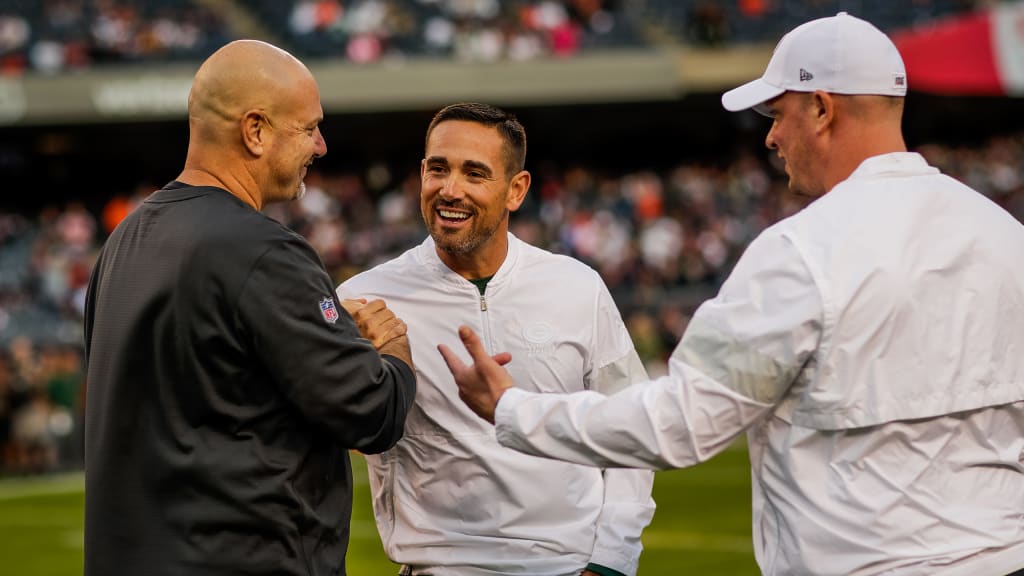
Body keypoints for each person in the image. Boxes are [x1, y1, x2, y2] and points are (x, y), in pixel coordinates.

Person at [440, 13, 1024, 576]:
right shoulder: (1002, 232)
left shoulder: (803, 249)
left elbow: (681, 424)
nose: (770, 136)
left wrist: (514, 408)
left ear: (821, 108)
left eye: (777, 113)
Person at [83, 39, 417, 576]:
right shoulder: (262, 249)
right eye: (308, 128)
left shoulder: (122, 241)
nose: (322, 145)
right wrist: (394, 353)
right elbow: (371, 412)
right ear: (255, 131)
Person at [337, 102, 655, 576]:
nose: (451, 189)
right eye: (439, 169)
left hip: (566, 568)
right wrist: (352, 372)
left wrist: (609, 562)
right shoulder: (363, 301)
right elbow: (346, 438)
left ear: (516, 190)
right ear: (421, 173)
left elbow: (629, 428)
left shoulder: (577, 286)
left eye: (475, 173)